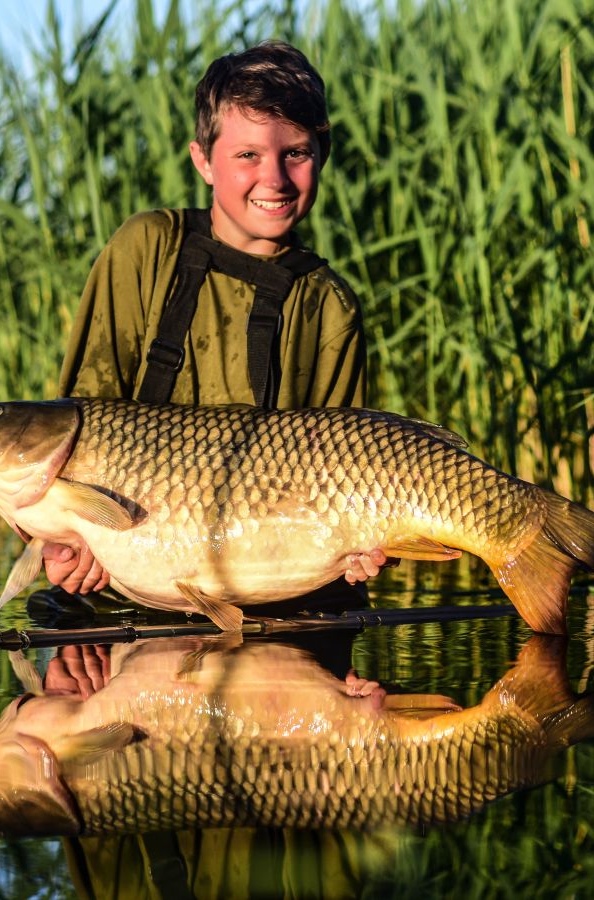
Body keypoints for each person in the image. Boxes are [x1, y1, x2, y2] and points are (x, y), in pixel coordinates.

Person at [42, 40, 391, 596]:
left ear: (321, 157)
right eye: (247, 155)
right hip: (126, 578)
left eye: (295, 153)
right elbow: (76, 433)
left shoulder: (330, 306)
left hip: (271, 587)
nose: (273, 178)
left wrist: (361, 552)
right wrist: (65, 547)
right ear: (203, 160)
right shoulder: (147, 247)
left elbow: (341, 472)